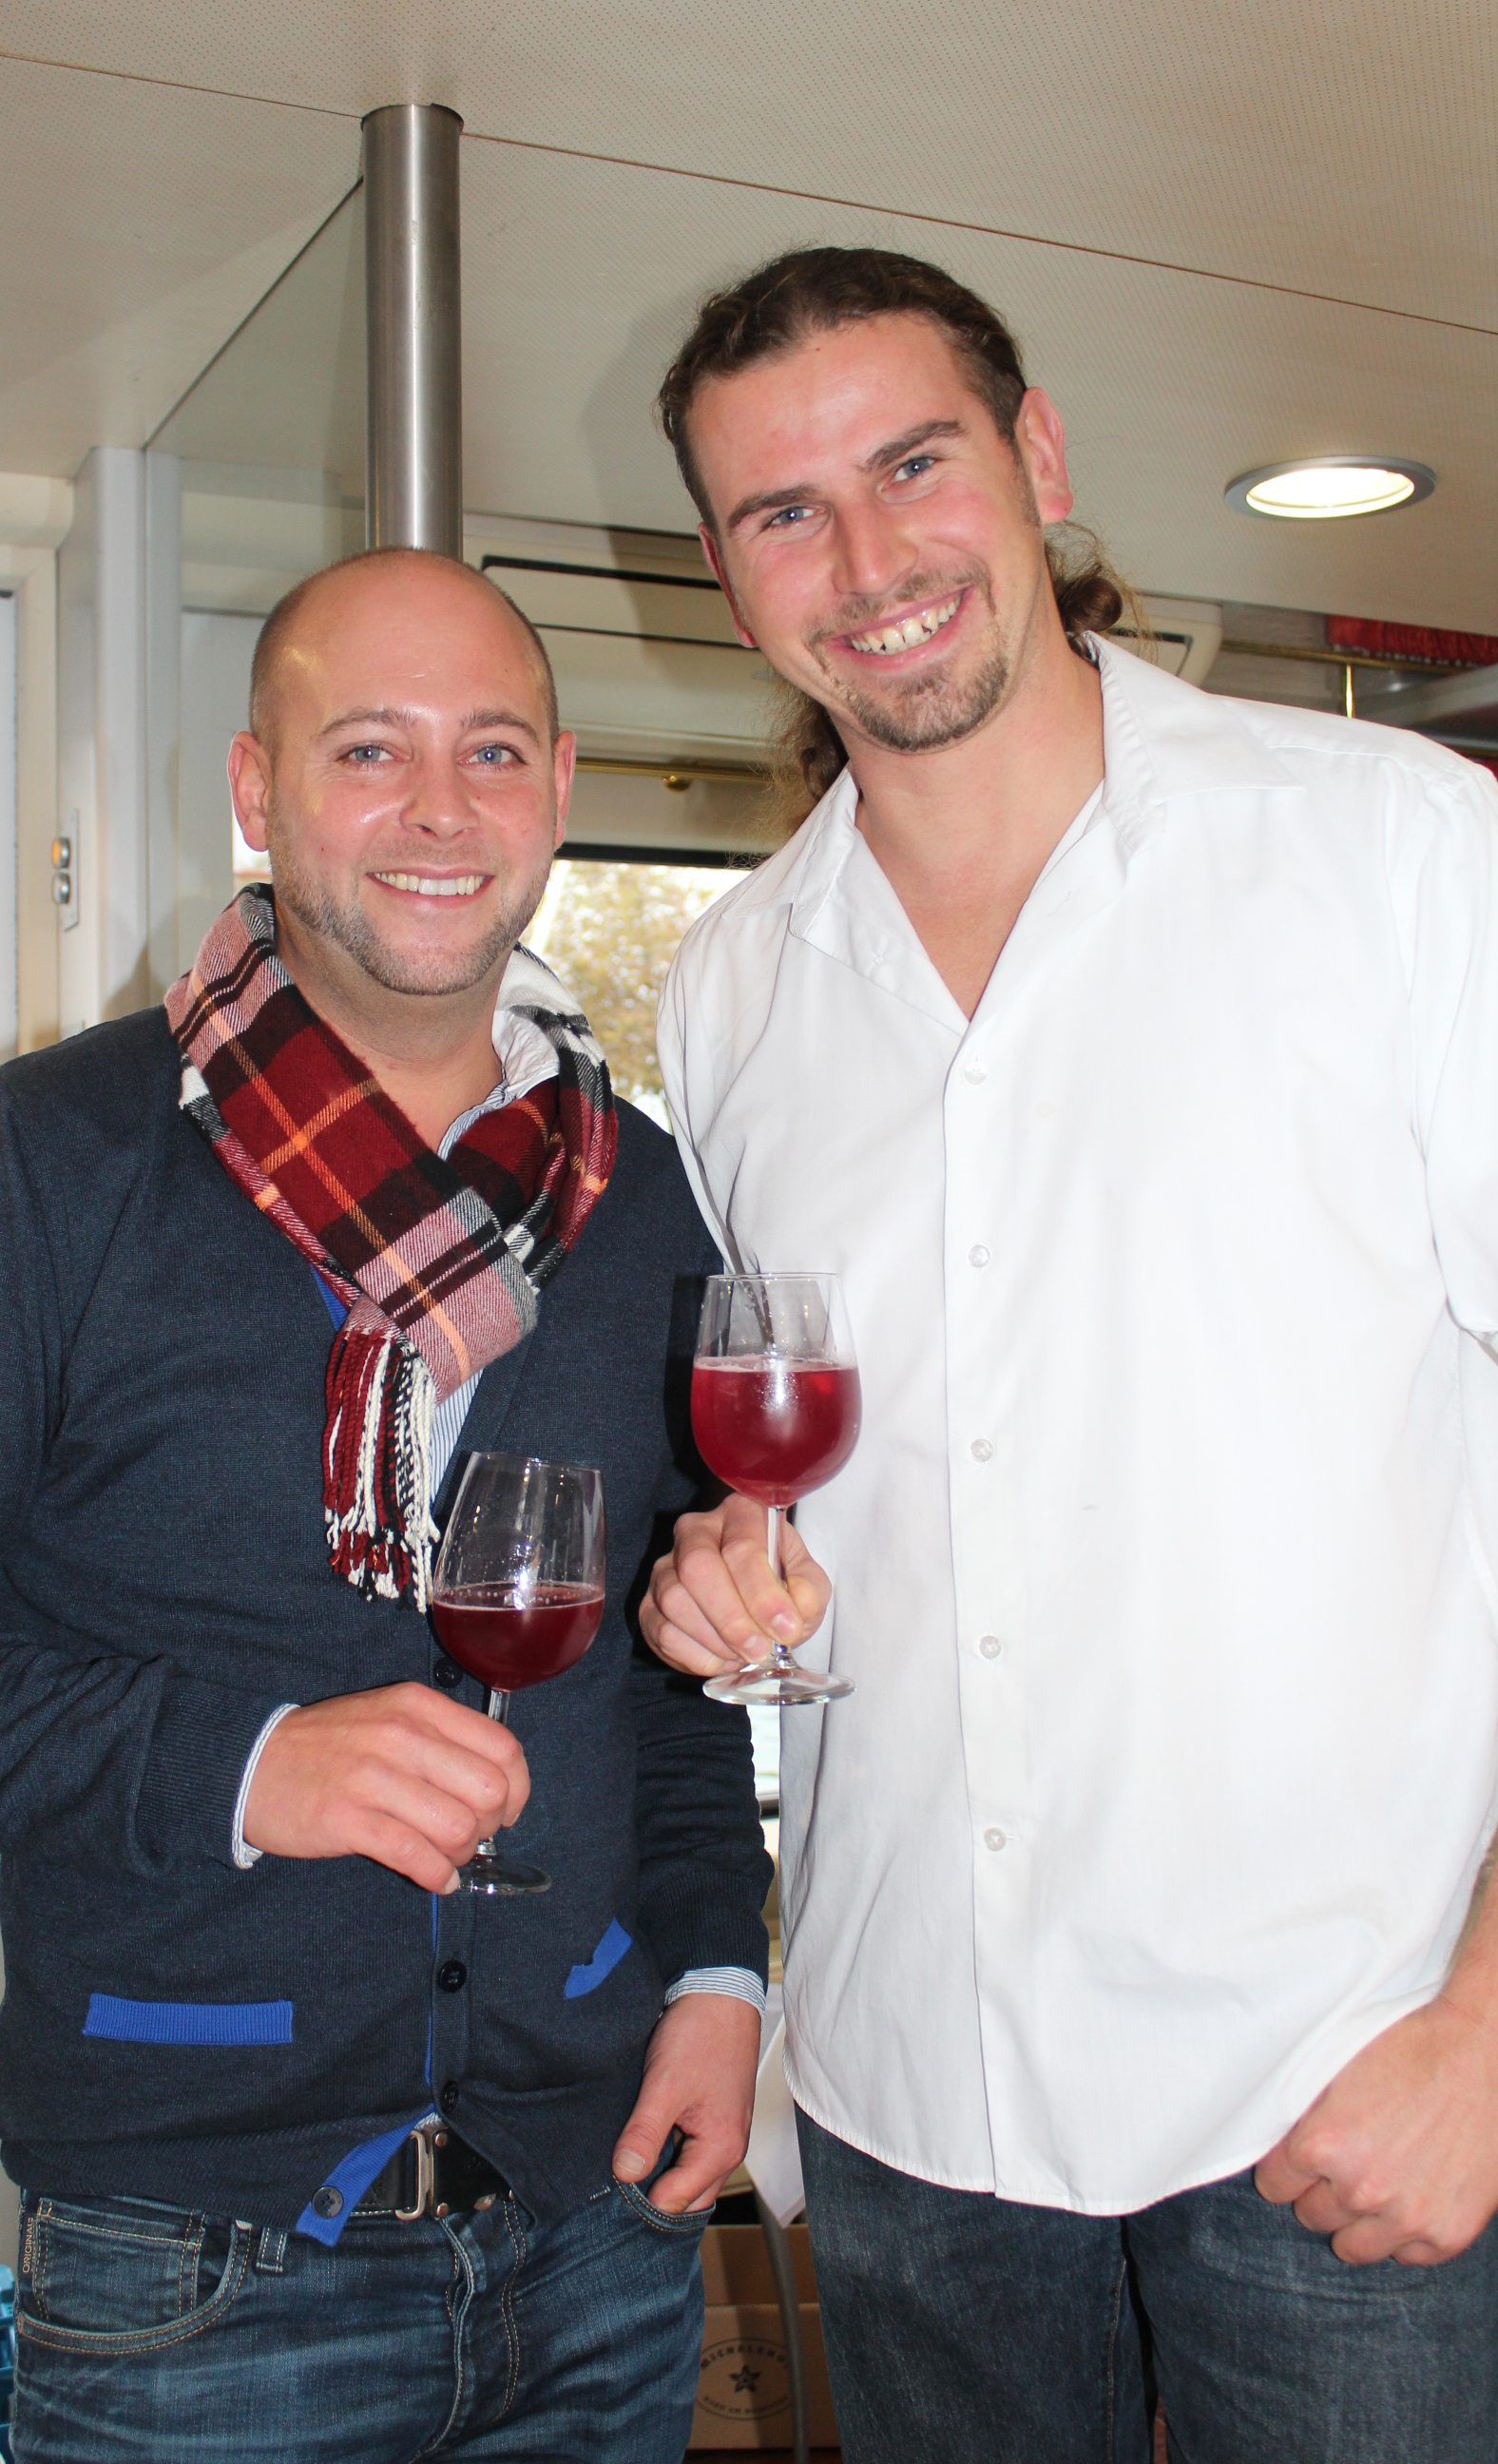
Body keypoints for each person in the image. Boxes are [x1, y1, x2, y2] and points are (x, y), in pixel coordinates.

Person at [639, 245, 1498, 2462]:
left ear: (1034, 458)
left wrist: (1493, 2031)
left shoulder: (1399, 857)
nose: (867, 562)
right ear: (728, 574)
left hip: (1345, 2069)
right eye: (783, 512)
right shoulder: (735, 987)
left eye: (912, 465)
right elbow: (831, 1473)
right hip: (912, 2088)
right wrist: (735, 1562)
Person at [0, 548, 770, 2463]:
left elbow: (667, 1671)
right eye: (369, 749)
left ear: (559, 788)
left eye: (492, 750)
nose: (441, 809)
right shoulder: (32, 1167)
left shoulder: (644, 1200)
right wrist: (242, 1763)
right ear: (258, 791)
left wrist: (713, 1970)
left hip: (599, 2236)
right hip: (196, 2277)